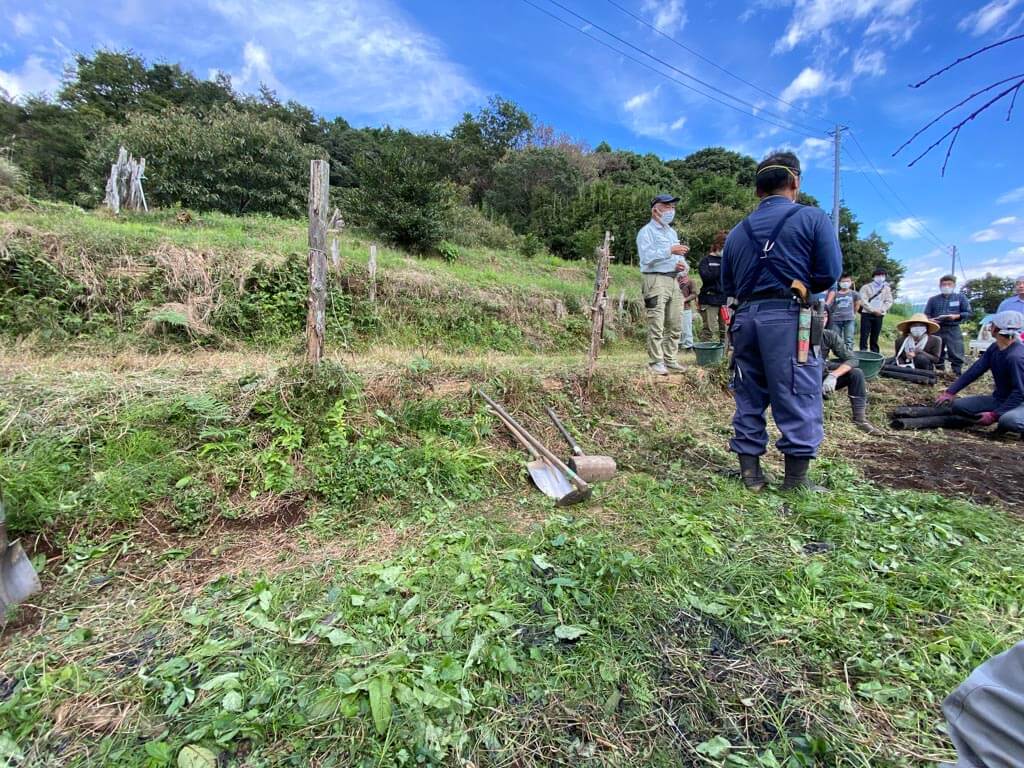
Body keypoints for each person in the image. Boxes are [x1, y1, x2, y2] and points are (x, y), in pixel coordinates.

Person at [721, 151, 842, 491]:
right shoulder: (813, 218)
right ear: (795, 182)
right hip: (789, 319)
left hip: (745, 319)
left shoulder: (736, 232)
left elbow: (728, 286)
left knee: (748, 393)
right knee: (798, 391)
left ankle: (751, 476)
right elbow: (829, 274)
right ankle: (795, 482)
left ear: (758, 190)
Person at [936, 311, 1024, 433]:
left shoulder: (1016, 357)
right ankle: (1002, 414)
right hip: (1000, 399)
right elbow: (975, 370)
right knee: (958, 406)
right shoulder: (995, 347)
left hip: (1020, 403)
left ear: (996, 329)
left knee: (1009, 421)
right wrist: (950, 392)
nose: (990, 327)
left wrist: (994, 415)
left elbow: (1020, 392)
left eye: (992, 324)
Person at [637, 193, 690, 375]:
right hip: (655, 279)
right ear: (655, 210)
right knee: (656, 322)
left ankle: (670, 359)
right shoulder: (646, 232)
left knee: (675, 322)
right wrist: (669, 250)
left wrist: (683, 266)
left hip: (673, 280)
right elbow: (646, 257)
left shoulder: (672, 232)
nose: (671, 210)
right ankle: (655, 361)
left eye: (673, 207)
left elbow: (679, 257)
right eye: (667, 206)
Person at [820, 315, 881, 434]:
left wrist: (833, 375)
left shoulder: (828, 335)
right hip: (800, 379)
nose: (821, 318)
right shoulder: (794, 334)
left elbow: (852, 359)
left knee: (856, 373)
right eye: (817, 314)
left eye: (825, 316)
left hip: (820, 373)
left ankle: (860, 419)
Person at [925, 274, 973, 376]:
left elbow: (968, 313)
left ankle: (956, 373)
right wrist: (930, 320)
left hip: (953, 328)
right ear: (940, 286)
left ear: (954, 285)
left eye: (949, 284)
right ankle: (939, 371)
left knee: (956, 351)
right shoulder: (933, 299)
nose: (946, 286)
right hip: (937, 328)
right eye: (944, 284)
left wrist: (957, 316)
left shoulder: (960, 298)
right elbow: (926, 314)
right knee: (937, 350)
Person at [697, 231, 728, 344]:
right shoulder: (706, 261)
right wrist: (720, 268)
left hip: (725, 299)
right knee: (709, 329)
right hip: (709, 299)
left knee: (725, 329)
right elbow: (706, 277)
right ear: (717, 245)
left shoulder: (728, 260)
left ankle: (723, 357)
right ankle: (706, 355)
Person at [858, 267, 894, 353]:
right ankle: (863, 351)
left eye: (883, 275)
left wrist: (882, 310)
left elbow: (889, 301)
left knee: (875, 334)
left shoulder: (887, 289)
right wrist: (872, 310)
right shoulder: (866, 287)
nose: (880, 277)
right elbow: (863, 300)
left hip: (879, 315)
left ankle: (874, 352)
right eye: (878, 275)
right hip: (866, 313)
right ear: (873, 277)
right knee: (864, 334)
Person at [826, 274, 859, 350]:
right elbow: (831, 305)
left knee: (849, 338)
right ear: (839, 283)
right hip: (836, 319)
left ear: (851, 282)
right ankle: (839, 354)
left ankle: (849, 355)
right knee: (837, 338)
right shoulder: (835, 294)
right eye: (843, 281)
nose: (845, 283)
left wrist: (854, 313)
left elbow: (857, 304)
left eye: (847, 281)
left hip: (849, 319)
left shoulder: (854, 293)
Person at [677, 272, 697, 351]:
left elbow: (694, 294)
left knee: (686, 328)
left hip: (685, 308)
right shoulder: (672, 280)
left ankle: (688, 347)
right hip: (673, 308)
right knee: (675, 328)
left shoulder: (690, 281)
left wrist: (685, 299)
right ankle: (677, 346)